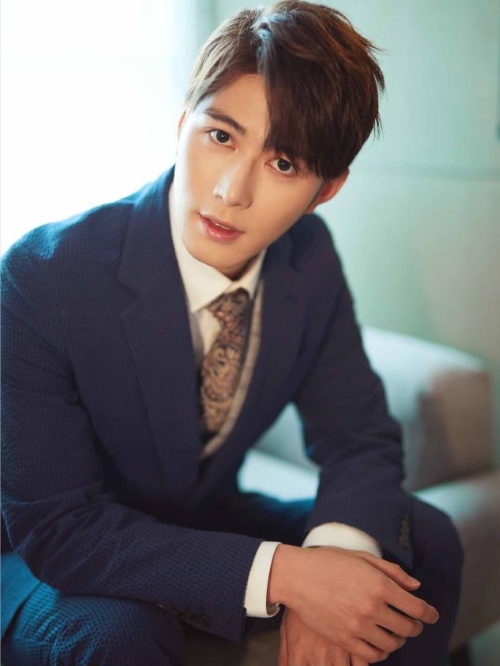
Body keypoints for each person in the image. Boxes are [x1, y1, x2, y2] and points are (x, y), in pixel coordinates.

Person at [1, 1, 463, 664]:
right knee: (119, 634)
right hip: (36, 554)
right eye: (221, 136)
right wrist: (291, 577)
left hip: (199, 518)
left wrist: (335, 563)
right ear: (182, 120)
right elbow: (58, 528)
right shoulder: (44, 274)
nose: (230, 191)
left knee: (423, 540)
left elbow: (358, 438)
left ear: (326, 190)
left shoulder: (308, 257)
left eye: (284, 164)